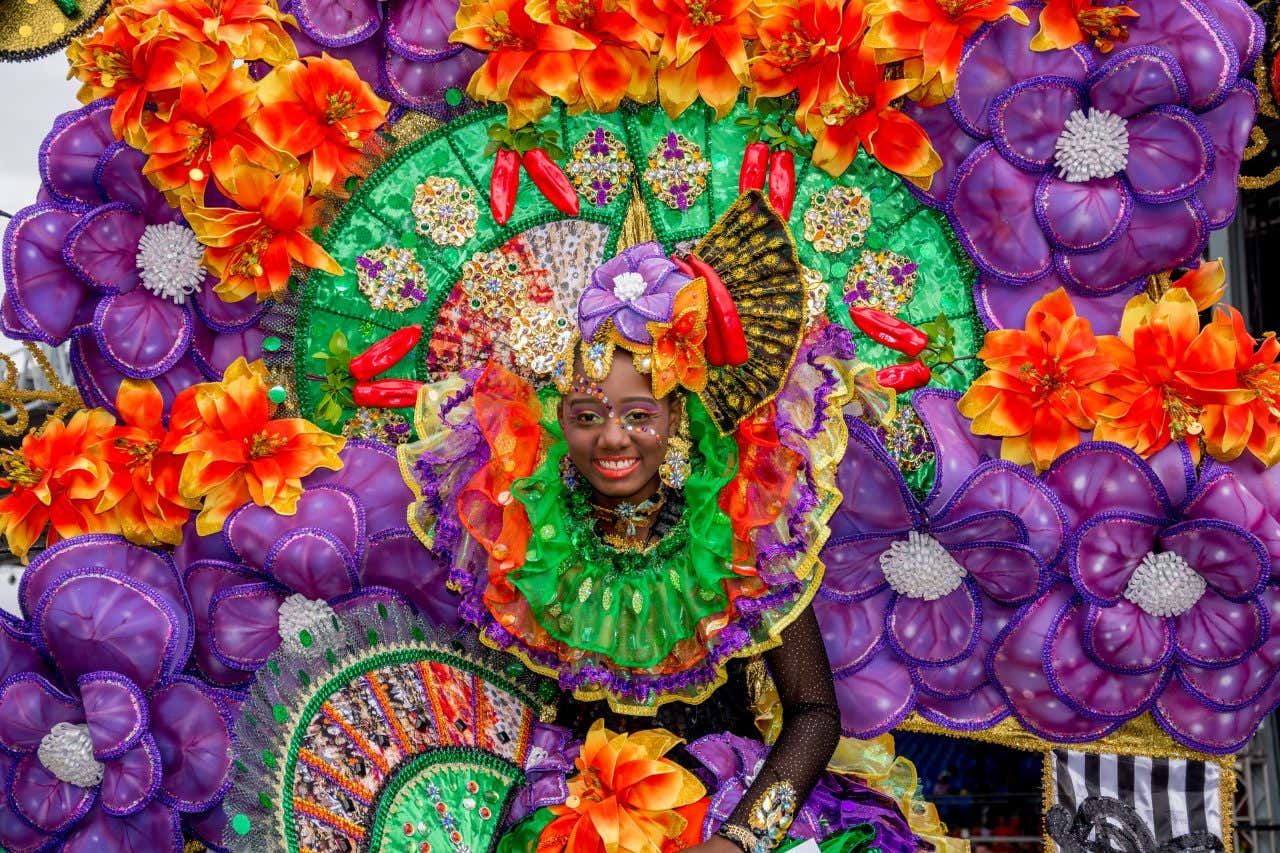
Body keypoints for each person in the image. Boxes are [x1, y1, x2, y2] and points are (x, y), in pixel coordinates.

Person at [400, 191, 911, 853]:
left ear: (676, 422)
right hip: (580, 815)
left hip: (734, 806)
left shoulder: (735, 537)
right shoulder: (530, 540)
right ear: (558, 425)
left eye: (638, 415)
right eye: (588, 415)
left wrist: (741, 839)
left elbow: (814, 714)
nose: (613, 438)